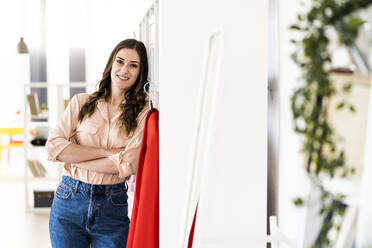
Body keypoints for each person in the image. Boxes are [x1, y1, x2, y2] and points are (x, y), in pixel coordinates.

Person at [46, 39, 149, 248]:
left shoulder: (143, 112)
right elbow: (53, 147)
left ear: (140, 72)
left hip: (112, 205)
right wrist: (107, 152)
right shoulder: (81, 102)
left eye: (133, 65)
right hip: (69, 201)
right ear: (111, 64)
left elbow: (126, 165)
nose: (124, 69)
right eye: (120, 61)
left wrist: (75, 157)